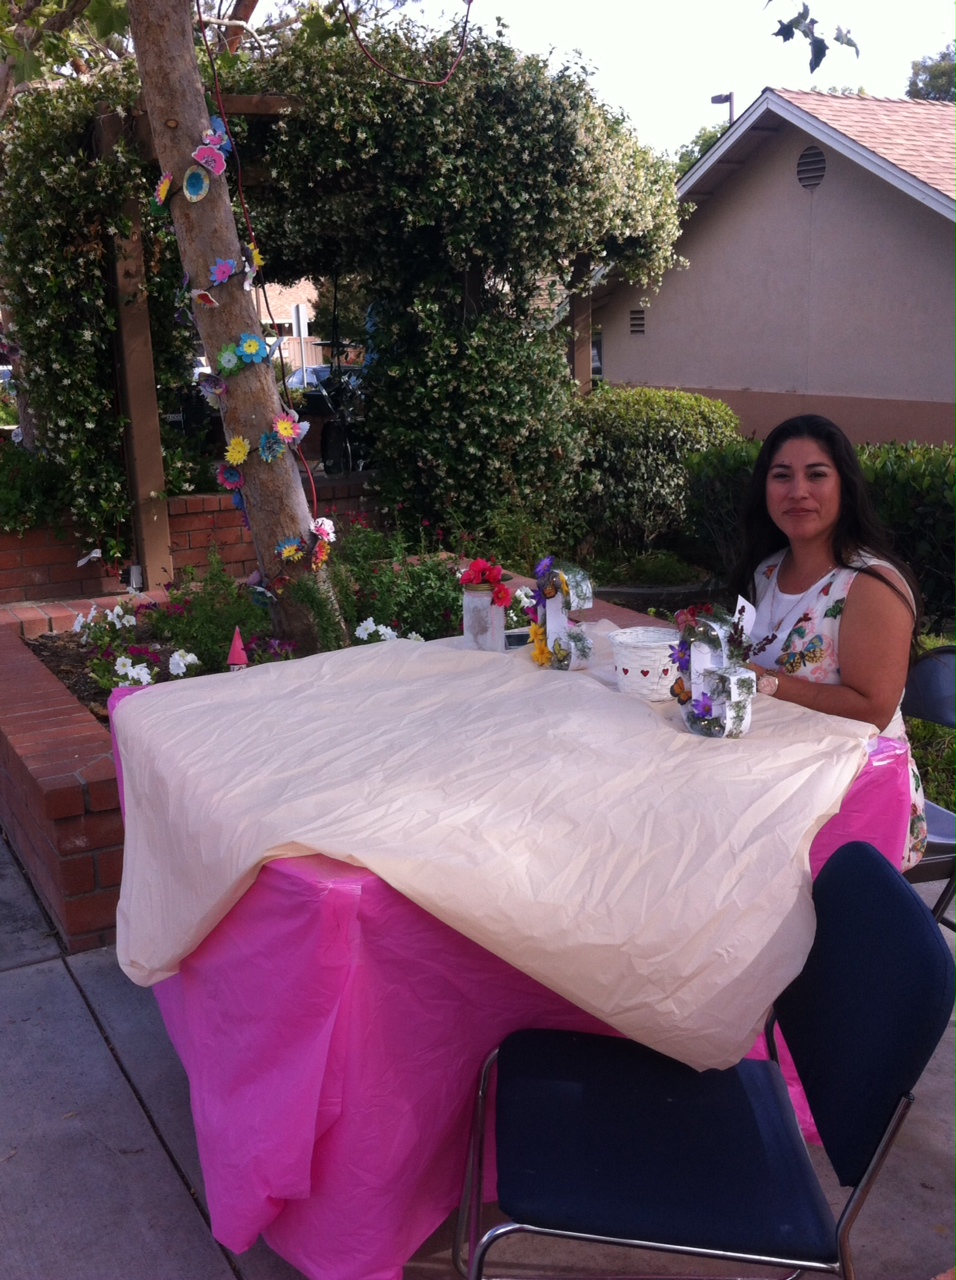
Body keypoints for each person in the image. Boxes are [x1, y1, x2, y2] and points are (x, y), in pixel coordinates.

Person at [730, 414, 926, 869]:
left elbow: (875, 709)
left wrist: (767, 683)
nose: (797, 490)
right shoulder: (766, 571)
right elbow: (742, 656)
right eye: (782, 476)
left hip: (856, 790)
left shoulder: (870, 585)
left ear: (844, 487)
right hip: (773, 770)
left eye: (816, 474)